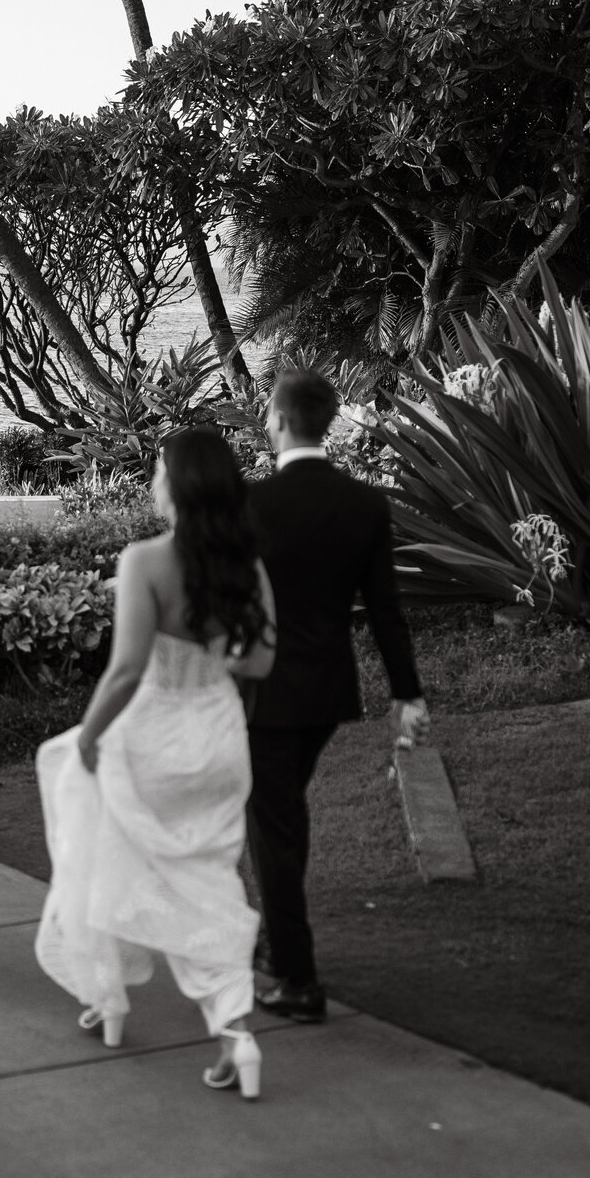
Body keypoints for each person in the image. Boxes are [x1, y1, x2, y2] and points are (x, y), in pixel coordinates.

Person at [35, 427, 277, 1100]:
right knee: (211, 879)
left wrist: (88, 738)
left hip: (153, 736)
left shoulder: (146, 560)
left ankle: (107, 998)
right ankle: (235, 1033)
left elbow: (125, 673)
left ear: (179, 485)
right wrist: (209, 656)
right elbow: (259, 661)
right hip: (220, 737)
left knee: (98, 842)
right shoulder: (246, 563)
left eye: (158, 472)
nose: (151, 483)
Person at [246, 369, 429, 1023]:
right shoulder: (364, 504)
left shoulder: (252, 504)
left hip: (261, 695)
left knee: (273, 828)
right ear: (325, 422)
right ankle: (275, 938)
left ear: (277, 418)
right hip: (326, 692)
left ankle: (296, 980)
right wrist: (406, 693)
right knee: (281, 817)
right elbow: (385, 610)